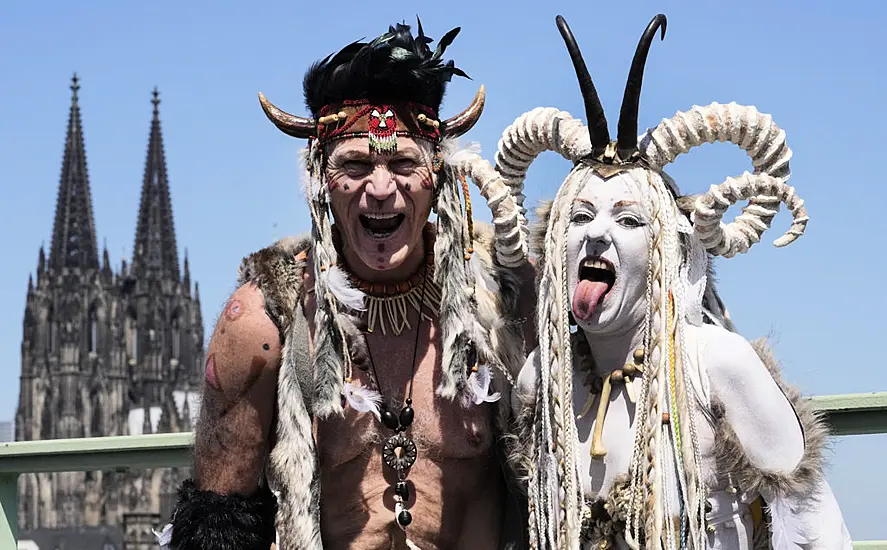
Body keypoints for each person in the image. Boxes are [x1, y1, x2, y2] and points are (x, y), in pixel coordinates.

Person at [159, 19, 535, 550]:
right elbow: (216, 532)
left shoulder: (503, 299)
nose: (381, 188)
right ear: (320, 180)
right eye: (355, 165)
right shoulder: (266, 325)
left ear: (439, 177)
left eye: (403, 162)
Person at [506, 13, 853, 550]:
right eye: (578, 217)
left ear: (670, 248)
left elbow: (812, 529)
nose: (596, 233)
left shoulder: (715, 364)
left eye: (628, 220)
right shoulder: (540, 380)